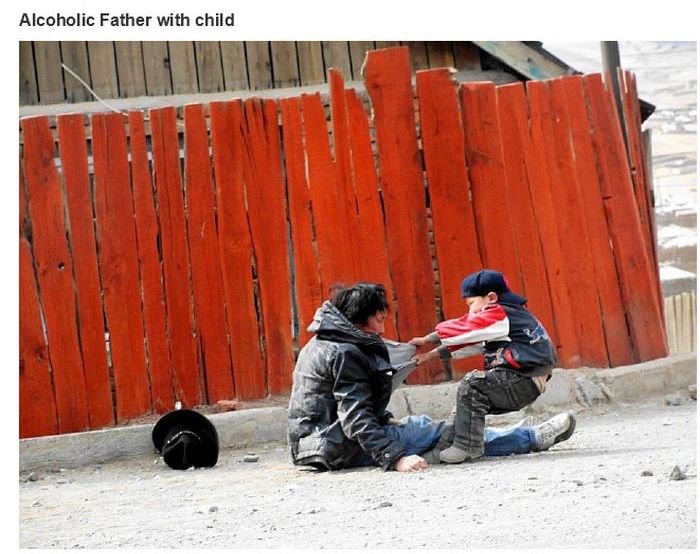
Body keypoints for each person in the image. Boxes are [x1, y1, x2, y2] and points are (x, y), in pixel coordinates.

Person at [287, 281, 575, 473]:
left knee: (431, 430)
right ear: (359, 318)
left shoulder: (321, 342)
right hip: (335, 445)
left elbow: (332, 402)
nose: (381, 328)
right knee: (448, 435)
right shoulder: (344, 352)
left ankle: (514, 434)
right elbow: (354, 418)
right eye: (379, 319)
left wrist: (383, 418)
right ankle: (529, 437)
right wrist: (395, 458)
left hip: (315, 442)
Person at [410, 269, 575, 464]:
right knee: (464, 403)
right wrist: (429, 355)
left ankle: (467, 447)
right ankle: (442, 448)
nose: (470, 311)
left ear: (491, 297)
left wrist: (427, 339)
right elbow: (472, 343)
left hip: (521, 379)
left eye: (471, 304)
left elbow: (467, 328)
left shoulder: (500, 313)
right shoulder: (509, 319)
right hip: (526, 381)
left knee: (472, 385)